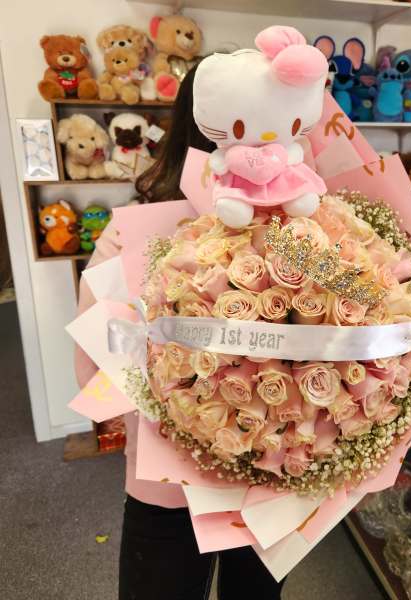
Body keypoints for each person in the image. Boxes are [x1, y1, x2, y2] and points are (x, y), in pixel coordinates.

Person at [75, 65, 286, 600]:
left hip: (169, 472)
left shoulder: (135, 231)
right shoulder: (301, 230)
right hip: (275, 473)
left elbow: (98, 357)